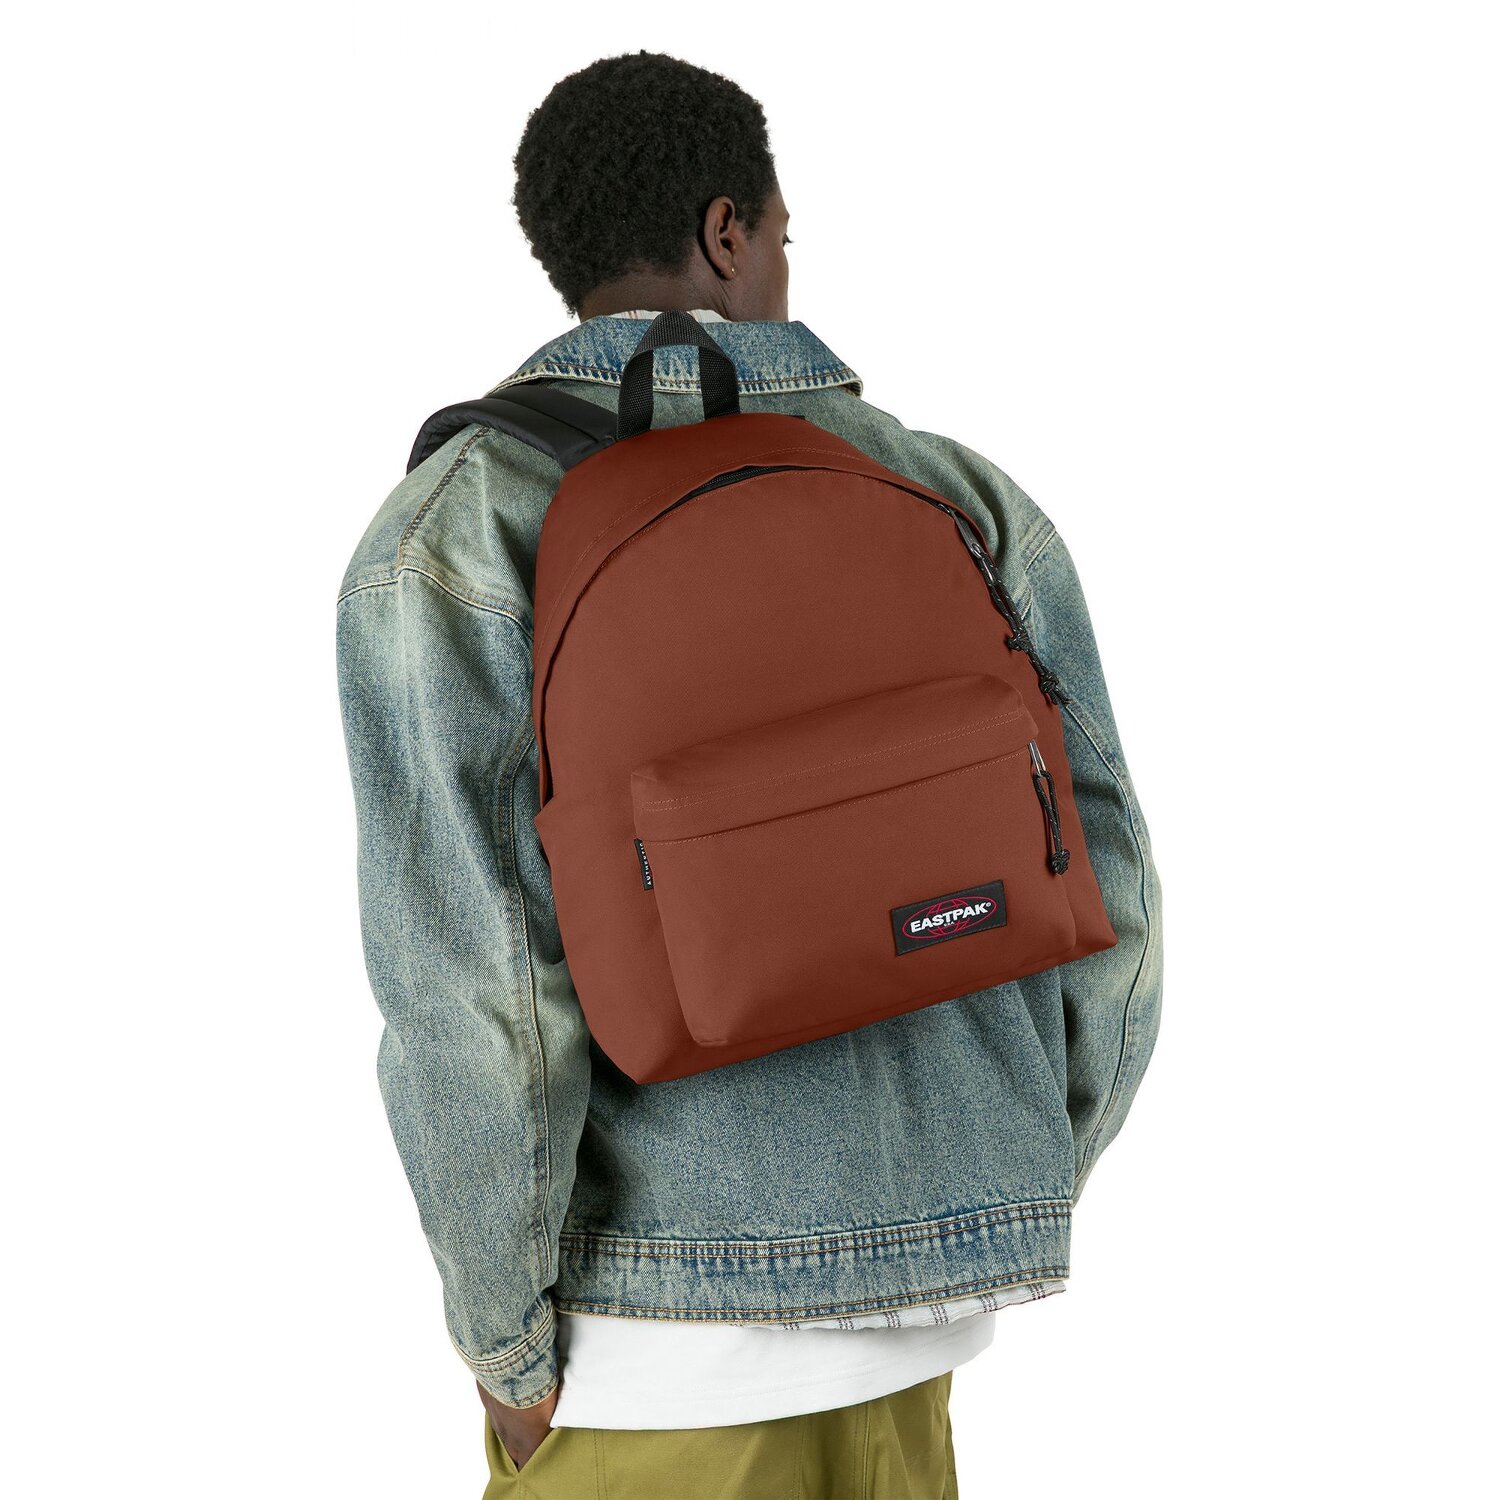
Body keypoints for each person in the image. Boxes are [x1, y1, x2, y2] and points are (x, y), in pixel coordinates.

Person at [335, 50, 1163, 1500]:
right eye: (783, 232)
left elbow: (473, 994)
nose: (785, 261)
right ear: (728, 231)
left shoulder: (456, 536)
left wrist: (505, 1343)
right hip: (919, 1347)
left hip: (646, 1356)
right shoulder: (950, 492)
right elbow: (1113, 895)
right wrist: (1009, 1170)